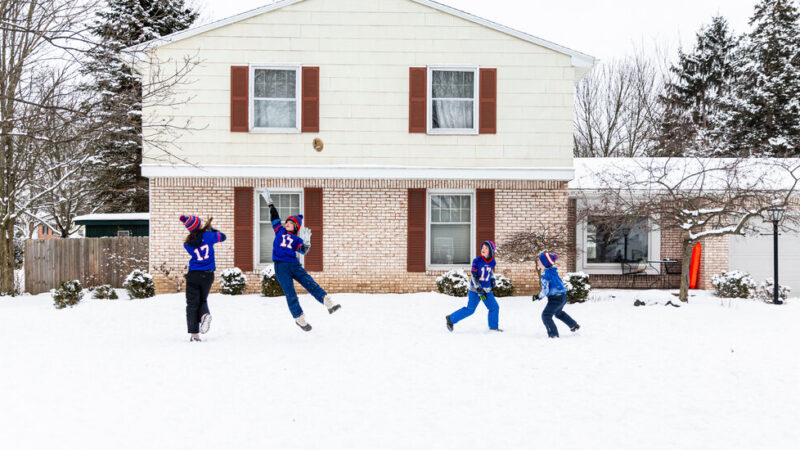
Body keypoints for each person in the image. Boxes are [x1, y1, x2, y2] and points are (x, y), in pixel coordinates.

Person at [260, 188, 340, 332]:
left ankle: (327, 301)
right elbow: (275, 217)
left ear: (296, 226)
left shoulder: (297, 239)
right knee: (290, 292)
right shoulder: (279, 230)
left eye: (290, 222)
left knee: (309, 282)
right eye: (287, 222)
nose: (287, 223)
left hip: (294, 264)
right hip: (281, 266)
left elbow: (303, 250)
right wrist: (270, 204)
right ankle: (299, 318)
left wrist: (307, 243)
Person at [181, 215, 226, 342]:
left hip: (194, 274)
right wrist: (212, 230)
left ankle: (194, 335)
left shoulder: (187, 244)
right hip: (208, 274)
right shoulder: (208, 236)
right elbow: (223, 237)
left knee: (192, 304)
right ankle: (204, 315)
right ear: (199, 225)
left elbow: (197, 242)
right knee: (202, 300)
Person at [446, 241, 502, 332]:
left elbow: (490, 271)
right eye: (482, 247)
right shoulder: (477, 261)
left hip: (487, 290)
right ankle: (450, 319)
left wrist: (492, 279)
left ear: (491, 251)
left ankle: (493, 327)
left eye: (486, 248)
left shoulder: (492, 262)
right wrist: (479, 290)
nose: (483, 249)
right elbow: (474, 275)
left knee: (494, 307)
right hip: (475, 291)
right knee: (470, 310)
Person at [533, 251, 580, 338]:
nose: (538, 262)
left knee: (546, 315)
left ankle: (553, 335)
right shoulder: (553, 272)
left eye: (540, 261)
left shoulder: (545, 275)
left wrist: (538, 296)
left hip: (555, 298)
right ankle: (573, 325)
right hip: (563, 297)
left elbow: (545, 289)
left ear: (545, 263)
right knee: (558, 313)